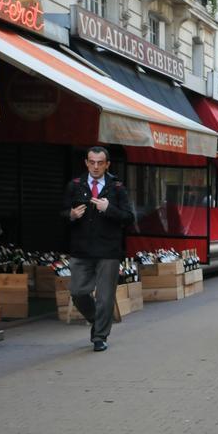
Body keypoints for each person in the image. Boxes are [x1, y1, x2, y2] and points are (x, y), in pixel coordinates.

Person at [61, 146, 135, 352]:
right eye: (91, 162)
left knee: (105, 297)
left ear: (107, 164)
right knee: (77, 292)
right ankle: (97, 320)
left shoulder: (117, 187)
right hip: (81, 250)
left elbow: (129, 217)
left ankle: (100, 337)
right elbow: (61, 213)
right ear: (86, 162)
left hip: (108, 251)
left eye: (100, 163)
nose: (95, 166)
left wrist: (108, 209)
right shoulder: (75, 186)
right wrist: (71, 215)